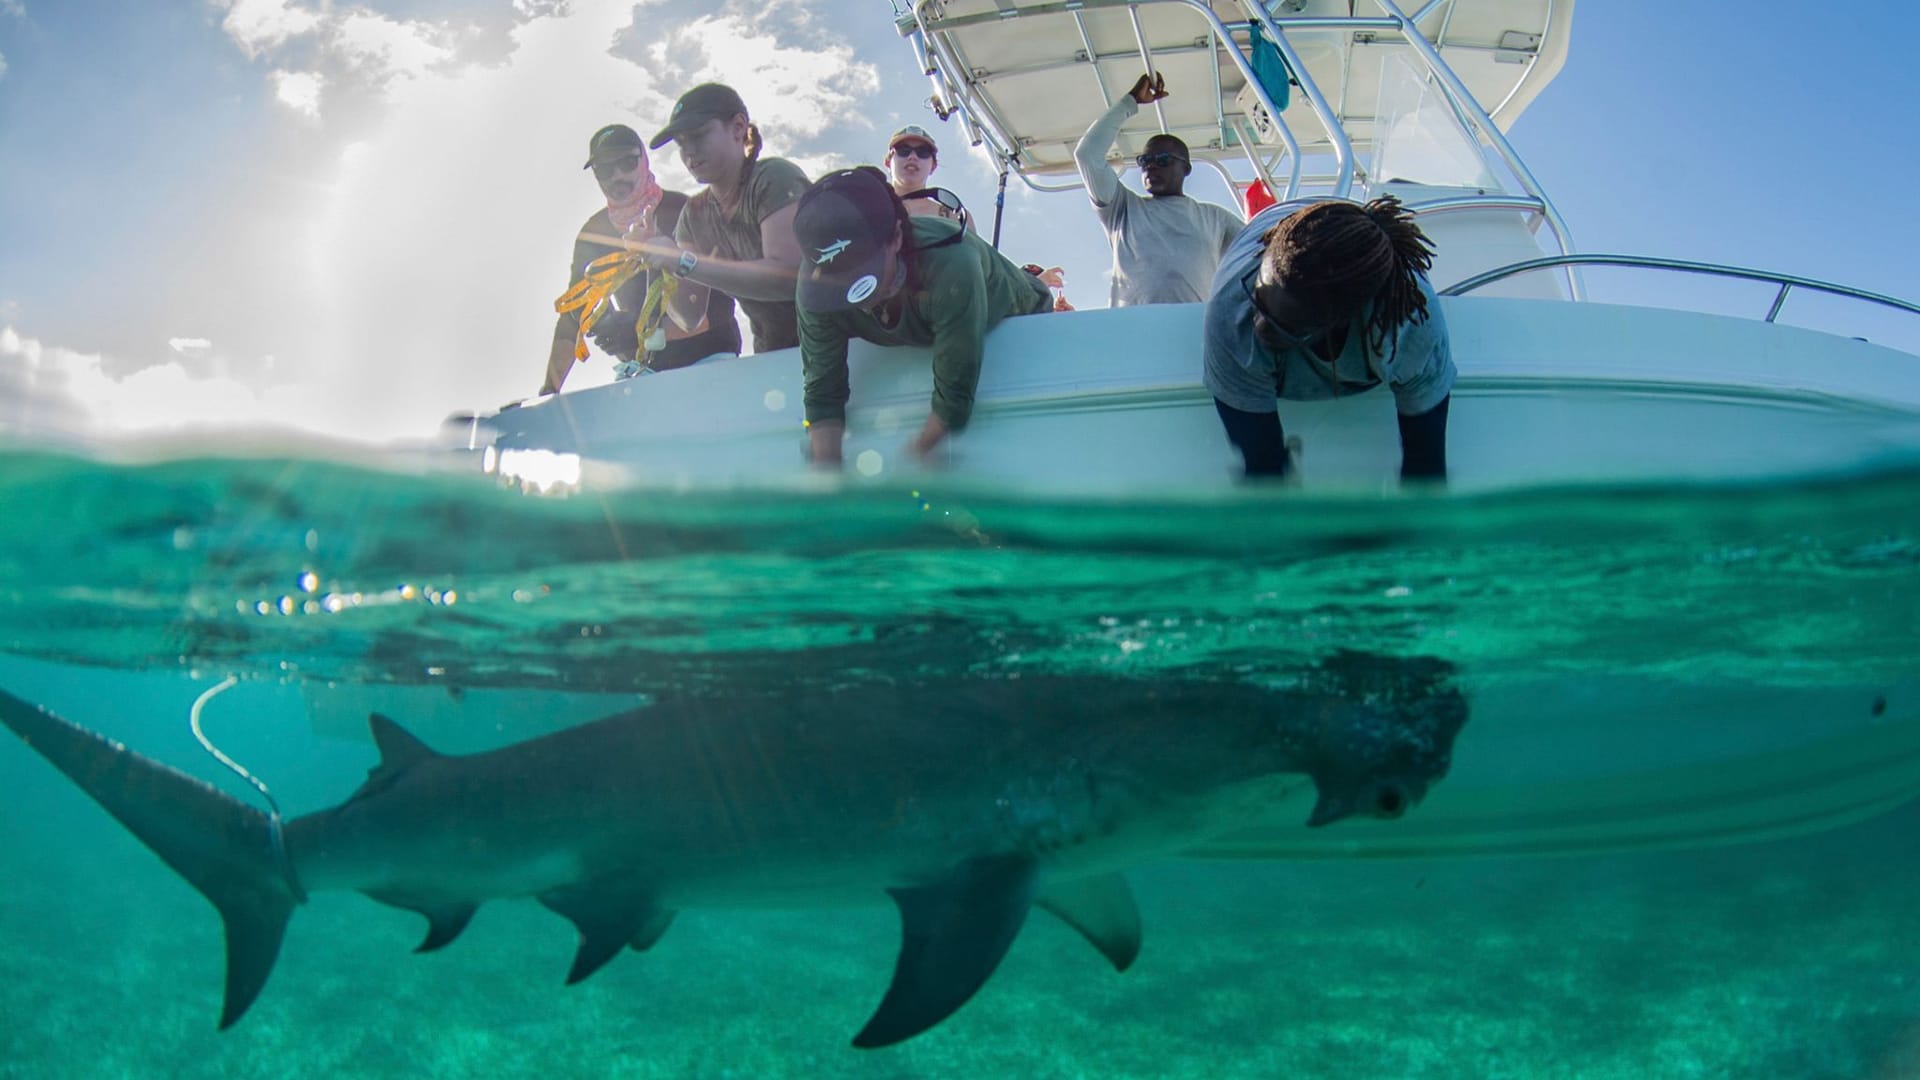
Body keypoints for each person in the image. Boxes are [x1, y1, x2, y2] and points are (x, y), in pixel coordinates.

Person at [792, 167, 1053, 465]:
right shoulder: (813, 290)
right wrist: (827, 474)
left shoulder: (953, 262)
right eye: (841, 283)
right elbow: (822, 392)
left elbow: (953, 397)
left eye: (867, 276)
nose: (861, 300)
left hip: (1021, 305)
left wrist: (912, 460)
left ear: (898, 237)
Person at [1203, 195, 1454, 482]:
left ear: (1339, 321)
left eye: (1283, 325)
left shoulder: (1409, 325)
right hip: (1294, 229)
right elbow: (1263, 472)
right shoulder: (1233, 313)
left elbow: (1427, 466)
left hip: (1357, 274)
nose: (1259, 328)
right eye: (1259, 300)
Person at [541, 124, 741, 395]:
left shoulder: (688, 210)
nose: (617, 176)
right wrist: (548, 392)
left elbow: (721, 308)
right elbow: (573, 316)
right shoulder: (594, 234)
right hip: (641, 373)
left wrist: (645, 335)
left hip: (710, 362)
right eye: (604, 169)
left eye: (626, 162)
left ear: (644, 160)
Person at [623, 83, 810, 353]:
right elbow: (689, 316)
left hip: (844, 342)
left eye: (698, 136)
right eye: (681, 144)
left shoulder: (774, 177)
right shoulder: (693, 215)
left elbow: (788, 277)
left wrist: (683, 261)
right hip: (774, 354)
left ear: (737, 127)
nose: (688, 152)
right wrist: (662, 259)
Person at [1073, 73, 1243, 307]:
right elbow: (1087, 154)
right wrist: (1130, 102)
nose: (1151, 166)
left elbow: (1258, 249)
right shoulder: (1122, 209)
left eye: (1163, 159)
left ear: (1186, 168)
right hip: (1132, 332)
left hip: (1191, 331)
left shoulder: (1216, 218)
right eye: (1145, 160)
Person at [883, 123, 971, 230]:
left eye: (922, 152)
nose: (913, 157)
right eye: (903, 150)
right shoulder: (868, 207)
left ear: (933, 167)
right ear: (888, 162)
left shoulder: (956, 217)